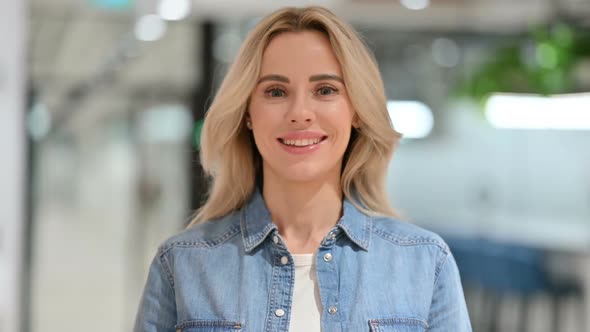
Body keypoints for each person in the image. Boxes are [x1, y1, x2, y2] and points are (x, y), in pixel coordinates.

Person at [134, 6, 472, 332]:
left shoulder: (425, 261)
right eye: (276, 91)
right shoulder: (182, 264)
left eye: (325, 90)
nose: (300, 113)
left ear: (355, 110)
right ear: (248, 112)